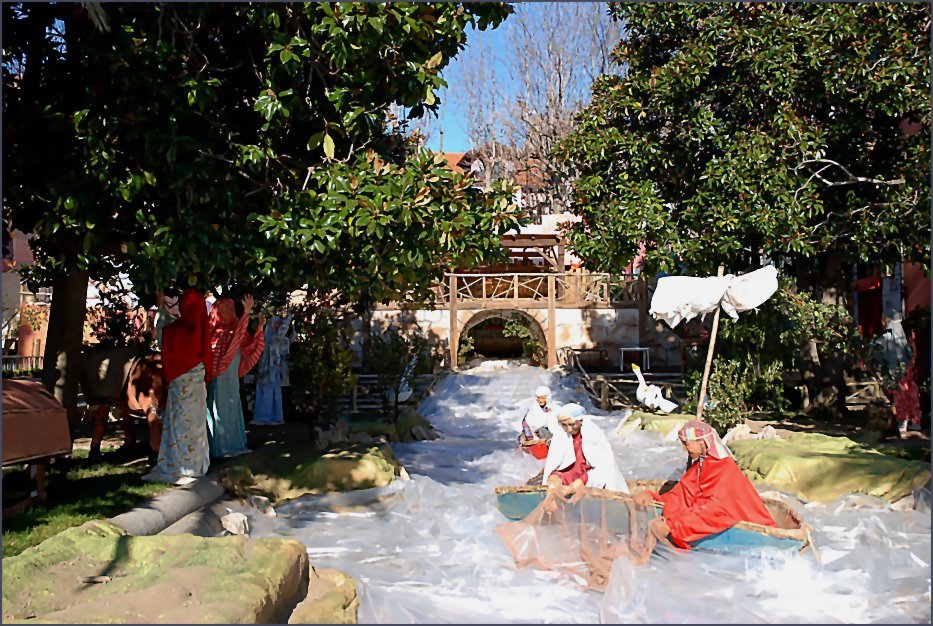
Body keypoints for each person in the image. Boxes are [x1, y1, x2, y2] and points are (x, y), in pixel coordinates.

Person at [632, 419, 777, 549]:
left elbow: (716, 510)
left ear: (702, 442)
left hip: (749, 520)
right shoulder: (703, 464)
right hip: (710, 512)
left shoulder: (725, 468)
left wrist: (674, 526)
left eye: (686, 444)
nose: (684, 449)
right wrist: (653, 498)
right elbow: (684, 493)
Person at [143, 288, 212, 485]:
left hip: (178, 384)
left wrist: (160, 308)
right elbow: (207, 357)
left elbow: (162, 334)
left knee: (177, 423)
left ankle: (177, 464)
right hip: (197, 384)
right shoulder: (201, 329)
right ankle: (195, 465)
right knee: (195, 424)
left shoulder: (176, 330)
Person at [205, 295, 265, 458]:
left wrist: (259, 328)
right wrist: (245, 314)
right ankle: (218, 447)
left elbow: (248, 346)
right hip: (219, 383)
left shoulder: (237, 332)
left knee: (233, 411)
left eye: (231, 308)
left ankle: (235, 444)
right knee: (218, 411)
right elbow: (233, 339)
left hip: (232, 383)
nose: (230, 312)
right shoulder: (214, 334)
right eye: (226, 309)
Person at [543, 403, 629, 495]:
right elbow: (560, 466)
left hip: (591, 478)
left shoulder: (592, 434)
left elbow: (603, 469)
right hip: (573, 475)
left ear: (580, 421)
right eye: (564, 425)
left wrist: (577, 484)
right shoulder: (561, 435)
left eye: (572, 425)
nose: (569, 429)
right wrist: (554, 478)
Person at [252, 312, 294, 426]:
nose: (277, 326)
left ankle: (275, 416)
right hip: (265, 370)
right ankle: (263, 417)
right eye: (276, 324)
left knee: (274, 393)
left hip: (275, 370)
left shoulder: (280, 339)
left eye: (279, 324)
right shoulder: (267, 337)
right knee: (264, 393)